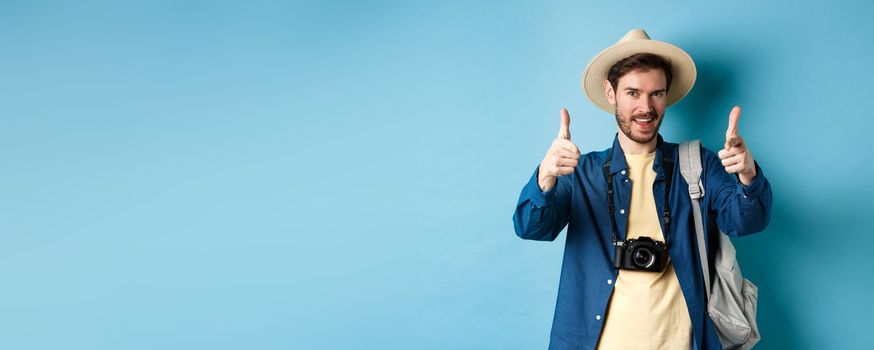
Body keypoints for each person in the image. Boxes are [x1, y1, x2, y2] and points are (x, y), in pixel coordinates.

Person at [512, 29, 772, 350]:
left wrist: (747, 175)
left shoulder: (697, 165)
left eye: (656, 94)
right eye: (633, 93)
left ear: (666, 95)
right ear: (611, 93)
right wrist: (546, 176)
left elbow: (747, 222)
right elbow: (530, 227)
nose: (645, 107)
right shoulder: (581, 172)